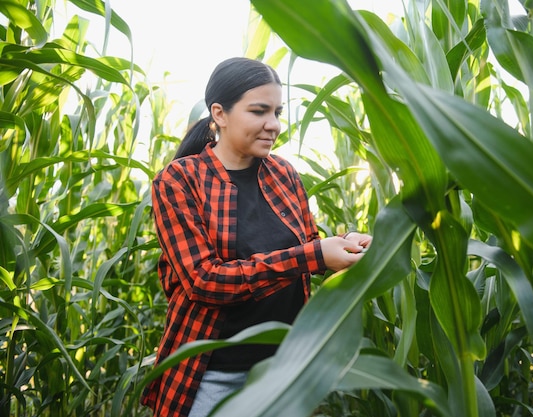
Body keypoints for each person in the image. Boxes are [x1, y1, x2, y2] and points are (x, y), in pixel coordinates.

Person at [141, 57, 372, 417]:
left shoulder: (284, 174)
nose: (274, 125)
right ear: (219, 113)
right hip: (210, 377)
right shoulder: (179, 180)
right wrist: (314, 255)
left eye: (278, 112)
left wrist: (346, 245)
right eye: (259, 111)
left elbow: (308, 248)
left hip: (281, 371)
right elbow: (205, 280)